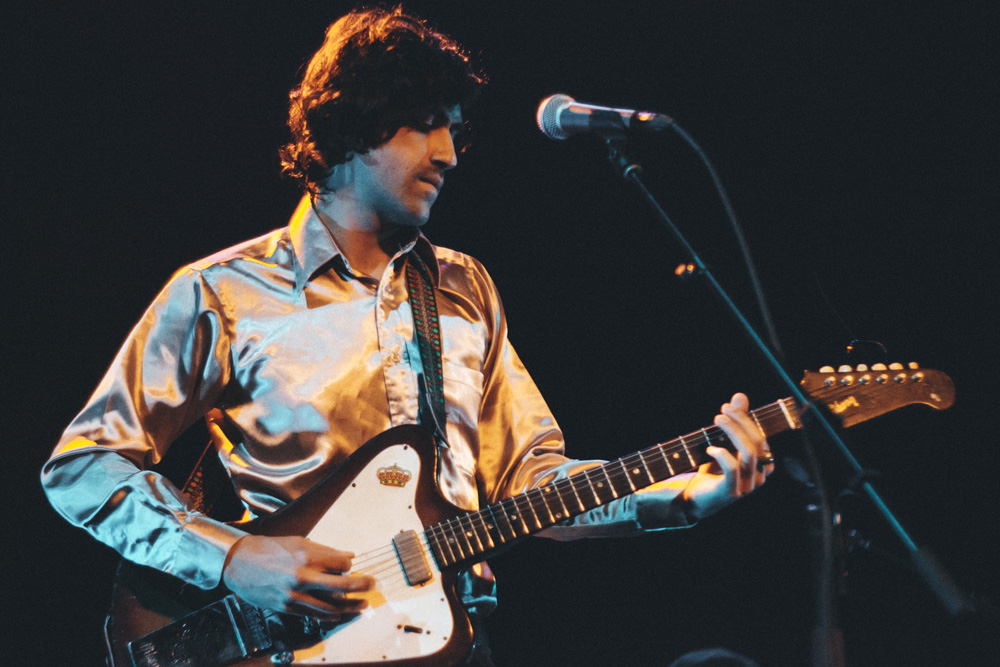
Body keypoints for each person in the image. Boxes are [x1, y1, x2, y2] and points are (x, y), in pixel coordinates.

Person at [41, 7, 773, 666]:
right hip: (293, 644)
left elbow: (531, 483)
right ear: (353, 123)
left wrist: (683, 498)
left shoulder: (464, 288)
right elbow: (82, 467)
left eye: (455, 126)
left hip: (449, 640)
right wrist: (234, 557)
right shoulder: (222, 292)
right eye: (426, 122)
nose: (451, 152)